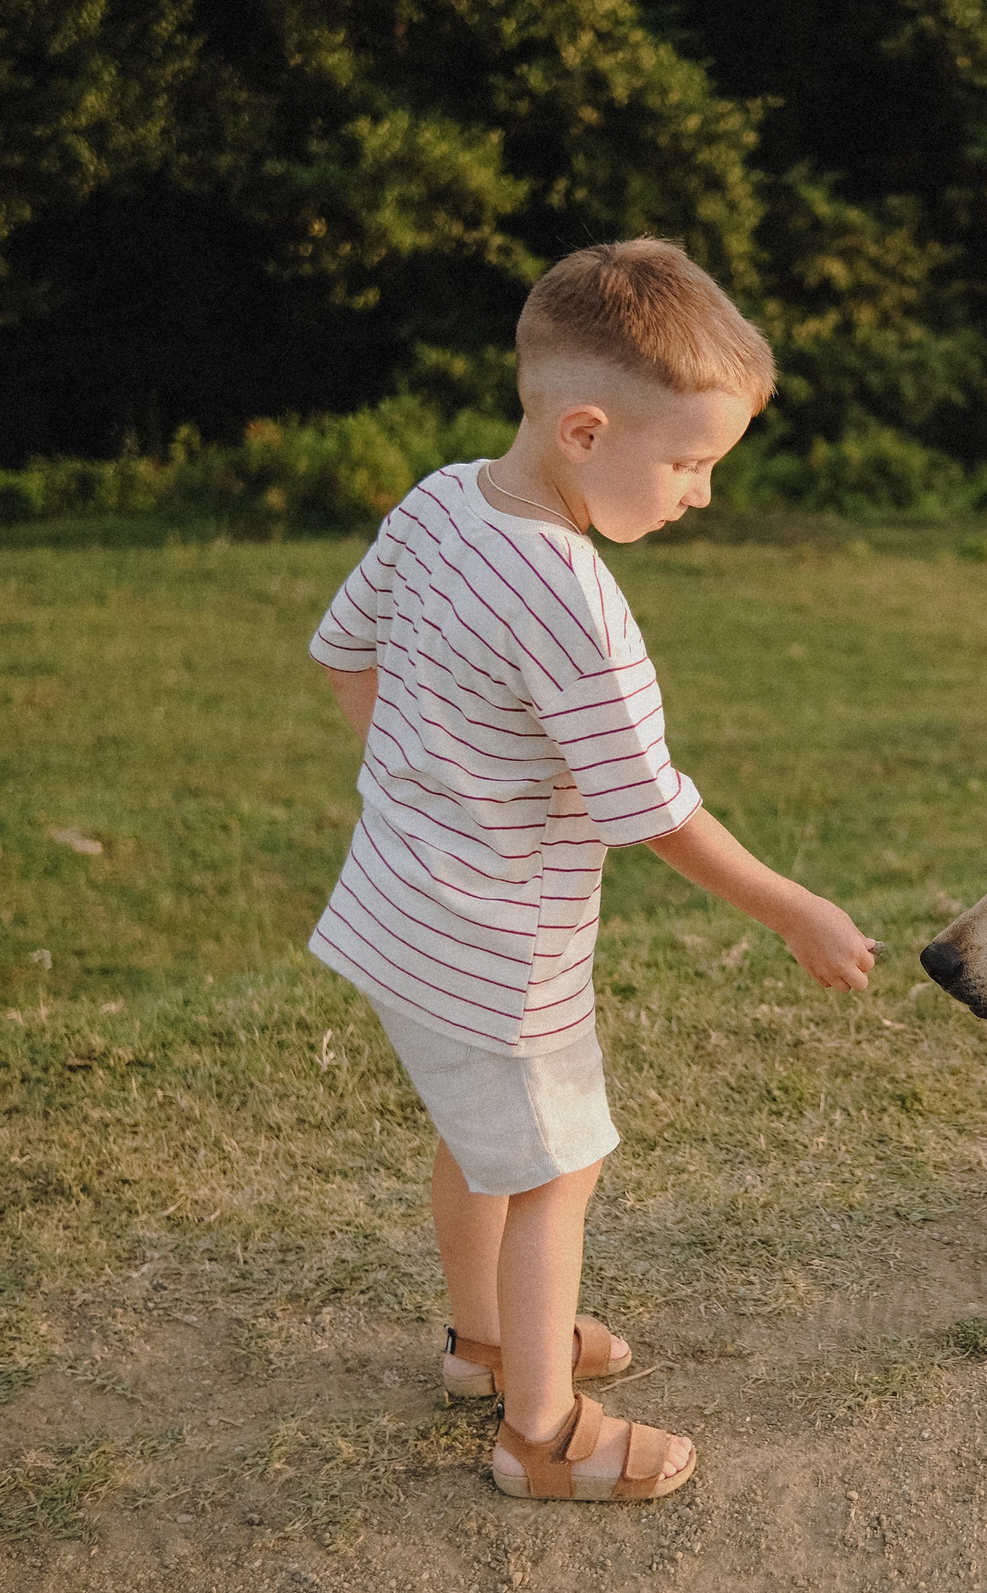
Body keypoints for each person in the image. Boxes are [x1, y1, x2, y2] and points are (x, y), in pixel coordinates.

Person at [308, 239, 878, 1499]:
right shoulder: (572, 599)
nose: (701, 496)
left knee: (483, 1144)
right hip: (501, 950)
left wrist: (419, 785)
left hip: (400, 916)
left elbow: (346, 650)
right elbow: (652, 811)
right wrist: (794, 909)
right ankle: (542, 1434)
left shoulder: (440, 501)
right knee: (555, 1169)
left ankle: (487, 1344)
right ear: (583, 431)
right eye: (688, 464)